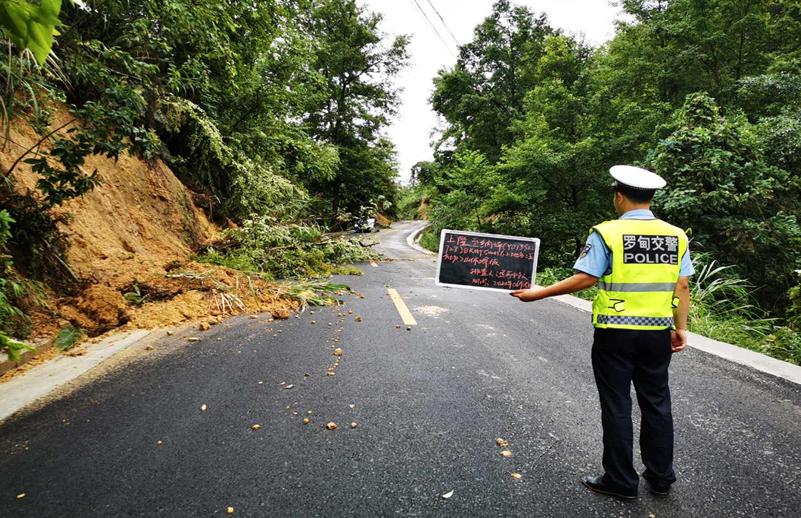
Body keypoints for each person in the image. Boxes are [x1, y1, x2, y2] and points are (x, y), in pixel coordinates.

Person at [510, 165, 693, 501]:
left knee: (617, 403)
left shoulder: (607, 232)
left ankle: (621, 481)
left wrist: (538, 293)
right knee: (657, 402)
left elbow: (587, 277)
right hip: (657, 332)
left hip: (615, 332)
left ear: (619, 196)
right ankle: (661, 476)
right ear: (651, 198)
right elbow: (682, 285)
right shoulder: (676, 235)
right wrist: (680, 327)